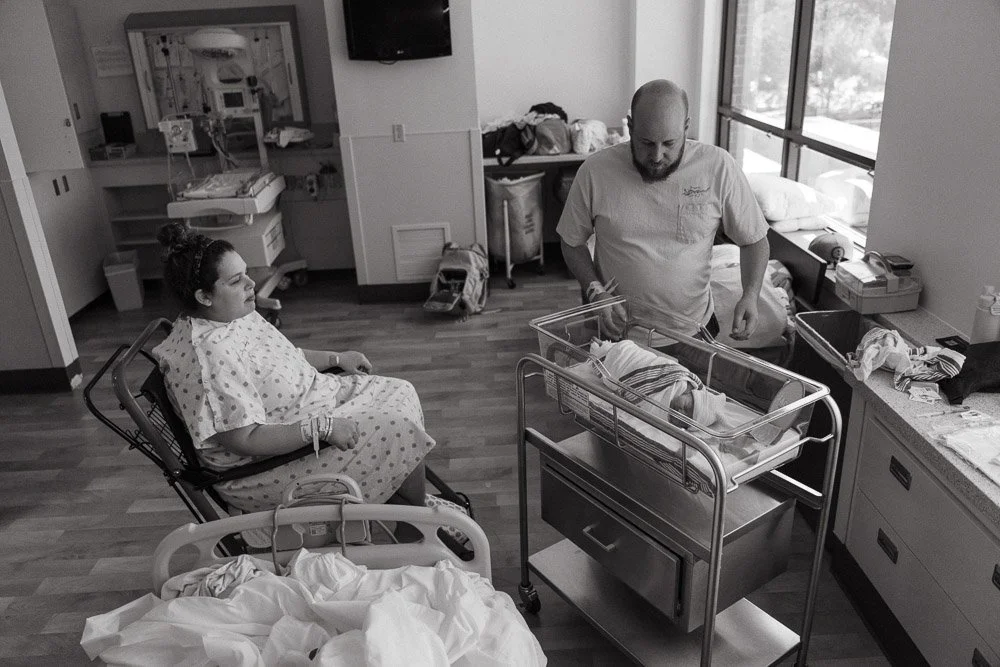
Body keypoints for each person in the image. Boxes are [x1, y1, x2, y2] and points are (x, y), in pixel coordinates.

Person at [150, 222, 441, 519]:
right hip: (265, 467)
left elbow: (281, 358)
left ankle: (409, 502)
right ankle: (416, 522)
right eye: (237, 281)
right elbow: (244, 440)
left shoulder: (229, 315)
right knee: (397, 427)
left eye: (246, 273)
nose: (251, 284)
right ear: (204, 296)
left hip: (309, 408)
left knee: (401, 392)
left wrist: (336, 359)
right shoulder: (209, 357)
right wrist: (321, 429)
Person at [557, 79, 770, 341]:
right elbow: (571, 241)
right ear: (631, 127)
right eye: (646, 143)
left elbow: (755, 240)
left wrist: (750, 295)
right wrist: (595, 292)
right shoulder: (595, 171)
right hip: (617, 335)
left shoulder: (718, 167)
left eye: (669, 143)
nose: (657, 156)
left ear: (686, 128)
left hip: (694, 332)